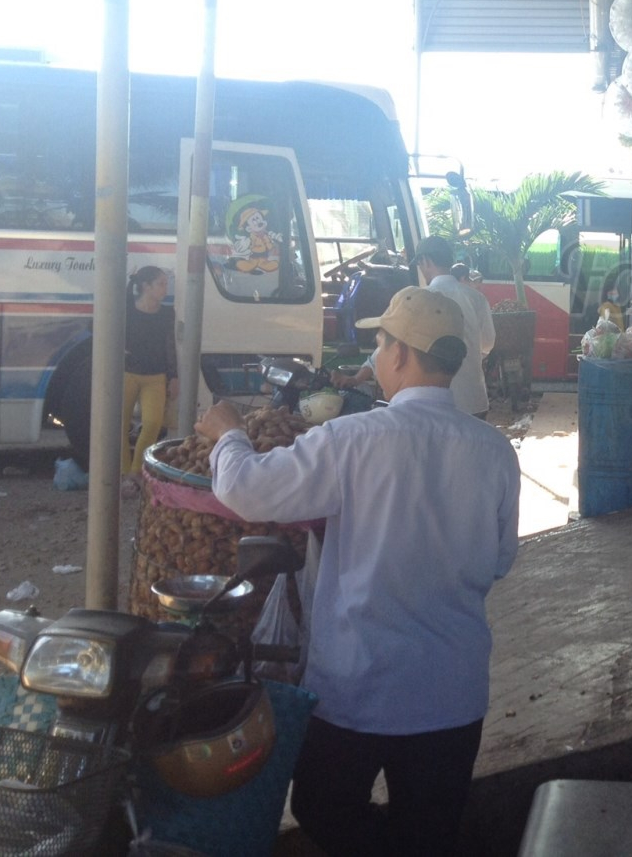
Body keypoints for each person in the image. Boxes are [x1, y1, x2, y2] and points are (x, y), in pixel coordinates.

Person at [197, 287, 520, 856]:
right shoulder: (494, 451)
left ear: (400, 353)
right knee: (430, 834)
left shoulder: (353, 439)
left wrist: (229, 435)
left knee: (321, 808)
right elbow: (499, 561)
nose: (374, 354)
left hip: (360, 687)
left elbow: (246, 488)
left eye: (379, 341)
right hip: (452, 690)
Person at [414, 235, 496, 419]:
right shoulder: (476, 298)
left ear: (425, 261)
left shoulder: (420, 298)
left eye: (419, 265)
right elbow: (487, 343)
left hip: (434, 404)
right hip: (474, 399)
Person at [122, 266, 178, 476]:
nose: (165, 289)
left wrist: (173, 376)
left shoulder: (167, 313)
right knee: (119, 426)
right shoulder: (127, 308)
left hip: (156, 376)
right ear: (146, 286)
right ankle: (123, 472)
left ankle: (136, 471)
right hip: (127, 373)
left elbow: (170, 346)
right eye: (161, 284)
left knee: (154, 423)